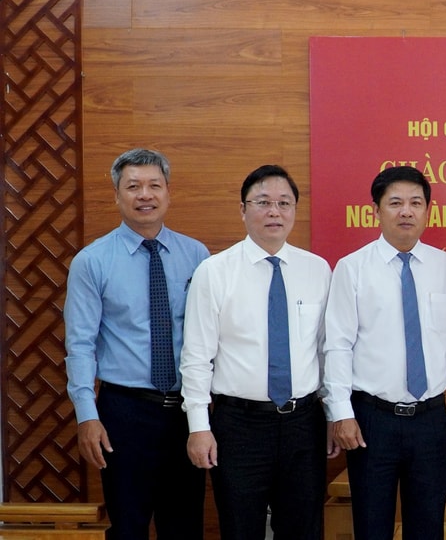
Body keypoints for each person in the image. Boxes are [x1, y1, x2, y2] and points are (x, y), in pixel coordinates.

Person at [323, 165, 446, 540]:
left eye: (415, 202)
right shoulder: (353, 268)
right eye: (395, 203)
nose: (405, 211)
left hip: (430, 418)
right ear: (377, 210)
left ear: (427, 210)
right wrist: (341, 413)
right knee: (371, 526)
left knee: (428, 526)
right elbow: (338, 344)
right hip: (371, 420)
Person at [180, 165, 333, 540]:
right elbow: (197, 356)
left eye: (284, 203)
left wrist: (332, 416)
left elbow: (327, 351)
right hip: (239, 426)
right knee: (240, 527)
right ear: (243, 209)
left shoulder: (317, 270)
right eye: (263, 202)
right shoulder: (214, 272)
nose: (274, 212)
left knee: (303, 529)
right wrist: (199, 427)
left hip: (303, 423)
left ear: (295, 210)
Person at [64, 148, 209, 540]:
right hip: (124, 413)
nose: (144, 194)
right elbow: (80, 345)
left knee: (185, 527)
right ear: (117, 195)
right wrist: (86, 415)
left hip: (185, 413)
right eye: (133, 186)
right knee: (128, 526)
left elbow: (210, 337)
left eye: (153, 185)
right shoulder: (92, 261)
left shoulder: (197, 256)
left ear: (168, 192)